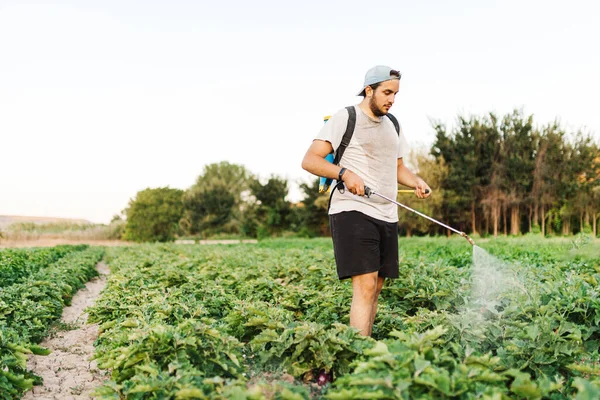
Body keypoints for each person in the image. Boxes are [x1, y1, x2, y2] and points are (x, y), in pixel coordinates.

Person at [301, 65, 432, 336]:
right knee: (365, 285)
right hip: (352, 208)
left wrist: (416, 181)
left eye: (395, 94)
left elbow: (398, 169)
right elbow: (310, 160)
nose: (391, 99)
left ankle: (365, 349)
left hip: (387, 213)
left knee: (377, 287)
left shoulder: (393, 125)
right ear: (369, 90)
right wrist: (344, 173)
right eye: (386, 92)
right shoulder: (344, 118)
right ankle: (358, 355)